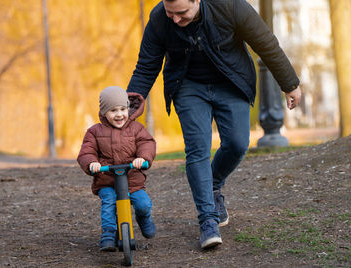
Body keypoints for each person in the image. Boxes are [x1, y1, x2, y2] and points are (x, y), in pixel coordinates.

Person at [127, 0, 302, 249]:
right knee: (198, 149)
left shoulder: (230, 6)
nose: (175, 19)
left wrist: (290, 84)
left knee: (237, 144)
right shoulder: (159, 18)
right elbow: (146, 65)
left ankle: (214, 184)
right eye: (170, 12)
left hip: (231, 81)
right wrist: (130, 104)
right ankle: (207, 220)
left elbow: (266, 43)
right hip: (188, 86)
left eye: (181, 13)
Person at [77, 86, 157, 251]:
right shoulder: (94, 132)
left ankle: (143, 218)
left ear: (128, 109)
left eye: (122, 109)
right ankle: (108, 233)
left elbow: (147, 143)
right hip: (107, 180)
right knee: (109, 202)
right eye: (113, 110)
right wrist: (92, 163)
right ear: (104, 112)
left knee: (143, 204)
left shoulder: (136, 129)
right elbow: (87, 151)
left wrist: (142, 158)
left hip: (133, 180)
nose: (119, 114)